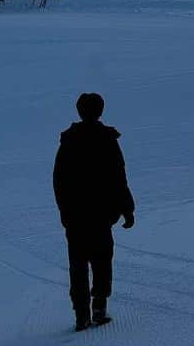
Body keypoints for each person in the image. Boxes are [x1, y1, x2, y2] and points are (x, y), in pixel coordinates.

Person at [53, 92, 135, 330]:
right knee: (101, 262)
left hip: (78, 217)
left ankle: (82, 315)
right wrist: (126, 209)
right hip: (98, 216)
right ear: (100, 111)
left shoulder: (70, 142)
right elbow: (119, 178)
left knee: (78, 265)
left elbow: (59, 182)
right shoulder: (106, 140)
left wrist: (66, 212)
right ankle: (98, 310)